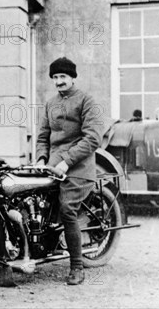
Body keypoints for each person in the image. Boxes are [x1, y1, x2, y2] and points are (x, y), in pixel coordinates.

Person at [35, 57, 102, 285]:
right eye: (55, 77)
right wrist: (42, 158)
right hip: (53, 166)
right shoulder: (50, 103)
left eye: (63, 77)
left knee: (67, 209)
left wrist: (67, 161)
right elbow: (43, 136)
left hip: (79, 167)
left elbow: (93, 138)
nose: (58, 82)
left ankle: (76, 266)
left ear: (73, 77)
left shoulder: (86, 100)